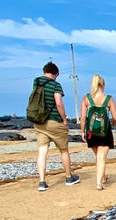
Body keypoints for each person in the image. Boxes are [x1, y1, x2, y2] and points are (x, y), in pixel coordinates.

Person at [33, 62, 80, 191]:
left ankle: (42, 182)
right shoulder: (55, 85)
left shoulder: (36, 82)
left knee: (42, 152)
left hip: (39, 121)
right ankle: (69, 177)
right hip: (54, 121)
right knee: (63, 150)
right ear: (56, 74)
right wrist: (64, 119)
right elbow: (59, 103)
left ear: (44, 71)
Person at [80, 74, 116, 190]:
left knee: (98, 156)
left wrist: (82, 131)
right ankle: (99, 183)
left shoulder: (86, 98)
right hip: (104, 132)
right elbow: (115, 117)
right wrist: (111, 124)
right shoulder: (109, 99)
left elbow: (82, 117)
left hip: (91, 132)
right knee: (101, 157)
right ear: (103, 85)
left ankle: (103, 177)